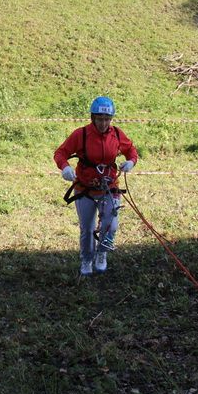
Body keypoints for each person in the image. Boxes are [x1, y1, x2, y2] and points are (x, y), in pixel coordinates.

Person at [54, 97, 138, 276]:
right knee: (87, 228)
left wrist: (131, 161)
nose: (103, 123)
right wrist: (65, 167)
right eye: (99, 119)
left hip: (109, 187)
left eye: (107, 119)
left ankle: (102, 253)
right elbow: (61, 153)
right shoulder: (81, 134)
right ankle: (86, 259)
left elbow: (131, 150)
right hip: (85, 188)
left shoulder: (116, 134)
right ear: (93, 117)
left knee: (111, 224)